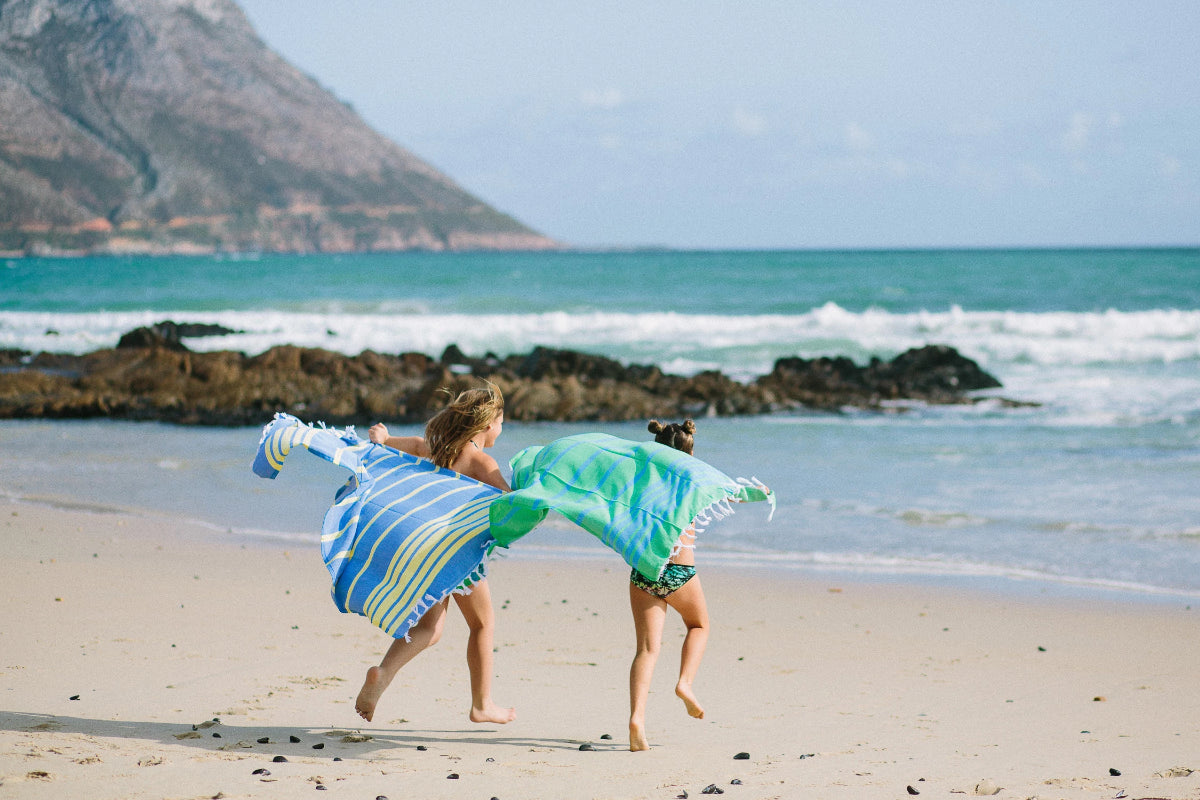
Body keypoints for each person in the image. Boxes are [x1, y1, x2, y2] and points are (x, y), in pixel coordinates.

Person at [353, 383, 516, 726]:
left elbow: (413, 445)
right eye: (501, 422)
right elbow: (508, 503)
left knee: (431, 628)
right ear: (488, 425)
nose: (502, 429)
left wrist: (383, 439)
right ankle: (482, 704)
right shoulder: (482, 461)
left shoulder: (442, 448)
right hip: (459, 561)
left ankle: (383, 674)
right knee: (483, 624)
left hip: (429, 552)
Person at [628, 418, 709, 752]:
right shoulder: (694, 483)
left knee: (647, 649)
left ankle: (636, 719)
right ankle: (685, 683)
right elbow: (729, 493)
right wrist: (761, 493)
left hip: (644, 573)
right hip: (679, 573)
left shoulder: (641, 486)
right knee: (698, 625)